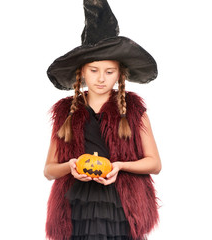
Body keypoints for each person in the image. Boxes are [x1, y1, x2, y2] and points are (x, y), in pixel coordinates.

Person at [44, 1, 161, 239]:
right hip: (76, 208)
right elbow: (49, 170)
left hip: (121, 207)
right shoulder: (66, 112)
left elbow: (154, 163)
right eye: (93, 70)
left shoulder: (134, 110)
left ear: (120, 74)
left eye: (109, 72)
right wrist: (71, 166)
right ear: (82, 72)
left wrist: (120, 166)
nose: (101, 79)